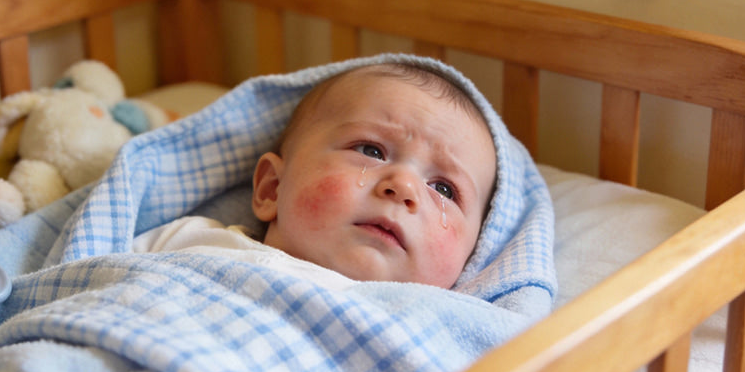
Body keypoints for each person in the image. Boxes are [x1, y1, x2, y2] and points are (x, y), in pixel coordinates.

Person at [133, 62, 497, 290]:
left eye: (444, 189)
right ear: (271, 189)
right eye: (371, 150)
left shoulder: (436, 330)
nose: (403, 186)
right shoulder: (190, 240)